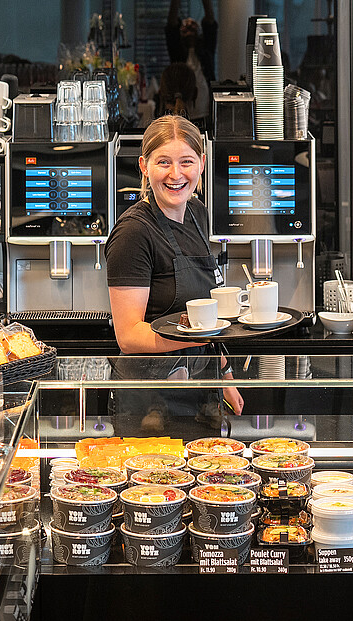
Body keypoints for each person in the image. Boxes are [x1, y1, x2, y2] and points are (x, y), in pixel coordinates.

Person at [105, 115, 244, 437]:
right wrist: (205, 334)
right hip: (147, 398)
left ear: (202, 163)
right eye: (163, 162)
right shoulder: (134, 232)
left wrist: (226, 376)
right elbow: (129, 336)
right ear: (144, 166)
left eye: (186, 162)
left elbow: (207, 311)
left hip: (199, 390)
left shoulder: (198, 213)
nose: (176, 174)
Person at [165, 0, 217, 128]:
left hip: (205, 108)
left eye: (193, 25)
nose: (189, 26)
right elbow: (171, 25)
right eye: (185, 26)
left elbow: (210, 22)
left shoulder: (206, 50)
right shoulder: (177, 52)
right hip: (182, 109)